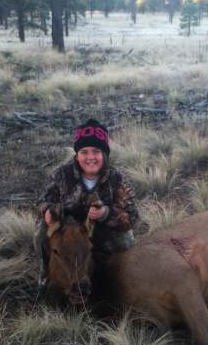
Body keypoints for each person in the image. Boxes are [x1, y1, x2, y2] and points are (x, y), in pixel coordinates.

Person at [35, 118, 139, 289]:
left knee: (126, 241)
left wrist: (105, 213)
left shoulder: (117, 178)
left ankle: (121, 277)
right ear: (77, 154)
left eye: (96, 151)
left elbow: (132, 216)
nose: (90, 157)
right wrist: (47, 210)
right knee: (40, 234)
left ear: (104, 154)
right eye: (84, 152)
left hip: (99, 229)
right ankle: (46, 274)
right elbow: (43, 200)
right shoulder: (61, 174)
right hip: (67, 232)